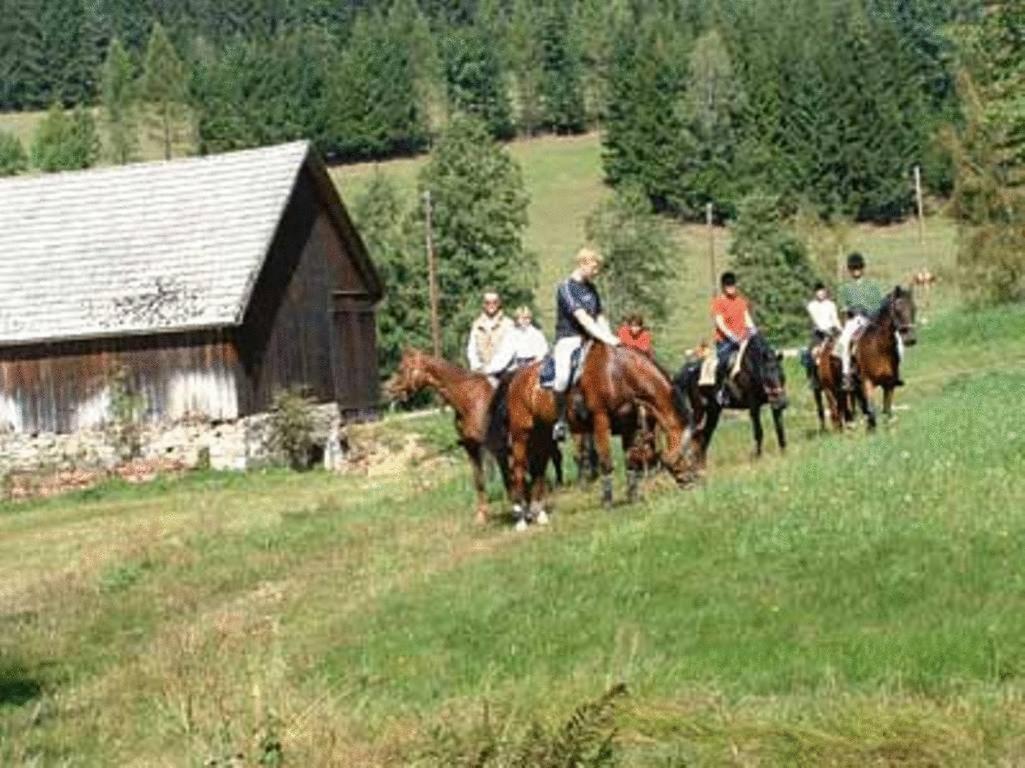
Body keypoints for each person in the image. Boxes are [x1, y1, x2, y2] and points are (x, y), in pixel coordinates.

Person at [550, 247, 620, 441]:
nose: (596, 272)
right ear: (583, 263)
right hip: (569, 339)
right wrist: (608, 339)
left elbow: (598, 316)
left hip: (592, 338)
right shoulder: (566, 287)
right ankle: (560, 420)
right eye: (594, 267)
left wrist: (609, 336)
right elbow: (583, 318)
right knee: (562, 378)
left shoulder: (591, 288)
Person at [837, 252, 885, 391]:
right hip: (854, 320)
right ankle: (846, 374)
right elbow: (842, 306)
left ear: (862, 269)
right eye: (853, 268)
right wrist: (850, 310)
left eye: (858, 268)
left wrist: (870, 312)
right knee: (844, 341)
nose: (856, 271)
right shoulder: (845, 288)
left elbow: (878, 305)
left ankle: (892, 368)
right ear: (850, 270)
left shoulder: (872, 286)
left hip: (871, 320)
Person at [711, 271, 756, 405]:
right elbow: (720, 323)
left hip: (743, 340)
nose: (731, 288)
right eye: (728, 286)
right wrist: (731, 336)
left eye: (733, 285)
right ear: (723, 287)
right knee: (724, 363)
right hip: (726, 342)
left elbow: (747, 319)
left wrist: (753, 330)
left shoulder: (741, 302)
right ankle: (721, 390)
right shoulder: (718, 302)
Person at [485, 305, 549, 376]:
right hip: (518, 366)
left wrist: (535, 362)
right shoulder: (511, 333)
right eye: (522, 318)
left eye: (527, 318)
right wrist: (490, 368)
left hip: (535, 366)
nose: (525, 320)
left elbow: (543, 351)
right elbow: (504, 353)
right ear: (517, 319)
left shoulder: (536, 333)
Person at [466, 291, 514, 373]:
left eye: (494, 302)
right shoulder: (477, 324)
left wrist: (491, 369)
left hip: (504, 372)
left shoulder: (508, 324)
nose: (491, 305)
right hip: (480, 370)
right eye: (487, 302)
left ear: (499, 303)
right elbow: (472, 348)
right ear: (483, 305)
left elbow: (507, 351)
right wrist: (476, 365)